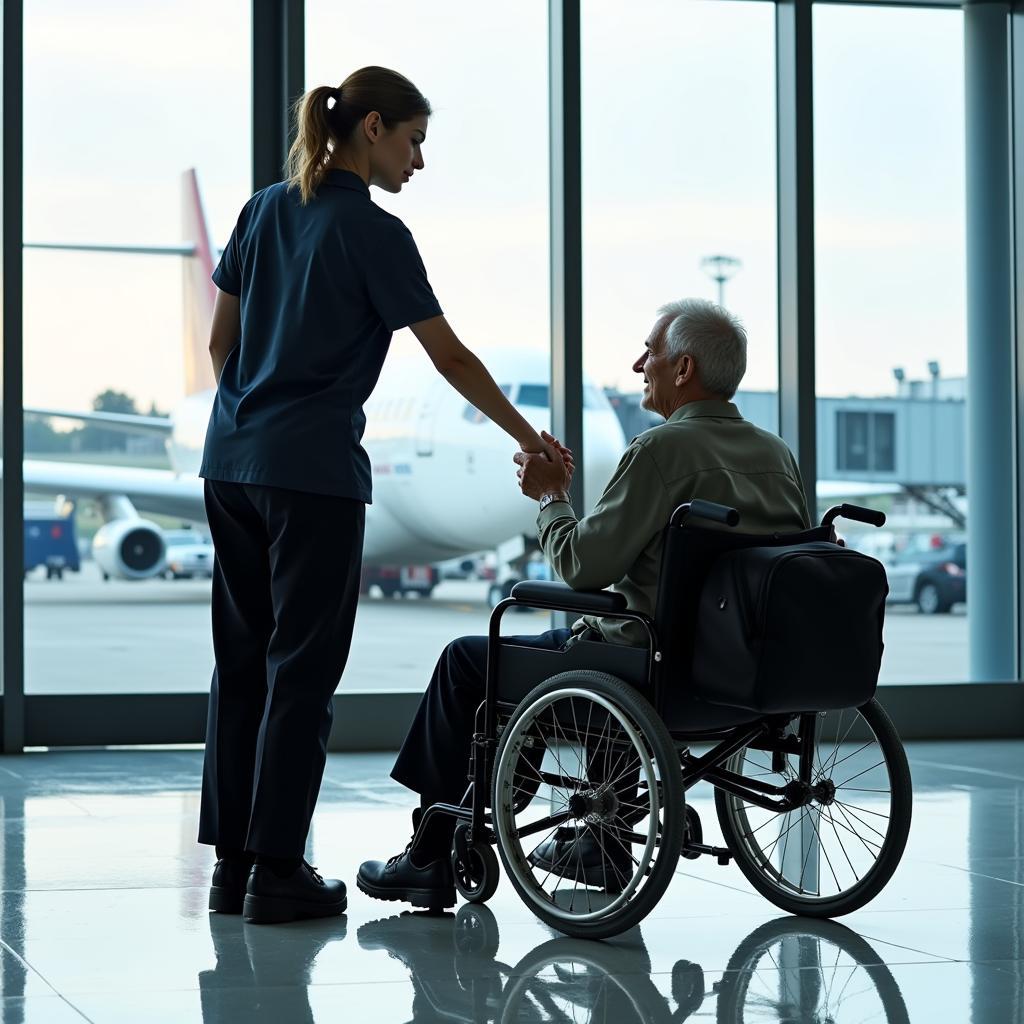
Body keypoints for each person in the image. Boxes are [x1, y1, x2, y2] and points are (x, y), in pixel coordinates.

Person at [199, 66, 559, 925]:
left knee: (241, 667)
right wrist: (528, 438)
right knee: (302, 673)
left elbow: (222, 342)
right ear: (370, 129)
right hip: (313, 476)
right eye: (414, 141)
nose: (419, 161)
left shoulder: (261, 210)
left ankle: (232, 868)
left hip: (233, 464)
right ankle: (279, 871)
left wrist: (255, 419)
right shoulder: (375, 233)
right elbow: (452, 359)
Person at [356, 298, 811, 909]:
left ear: (683, 370)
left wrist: (551, 499)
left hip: (645, 665)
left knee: (469, 662)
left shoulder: (660, 452)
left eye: (649, 351)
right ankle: (604, 838)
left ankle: (432, 848)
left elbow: (581, 566)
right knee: (614, 649)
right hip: (736, 670)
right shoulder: (777, 457)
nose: (636, 364)